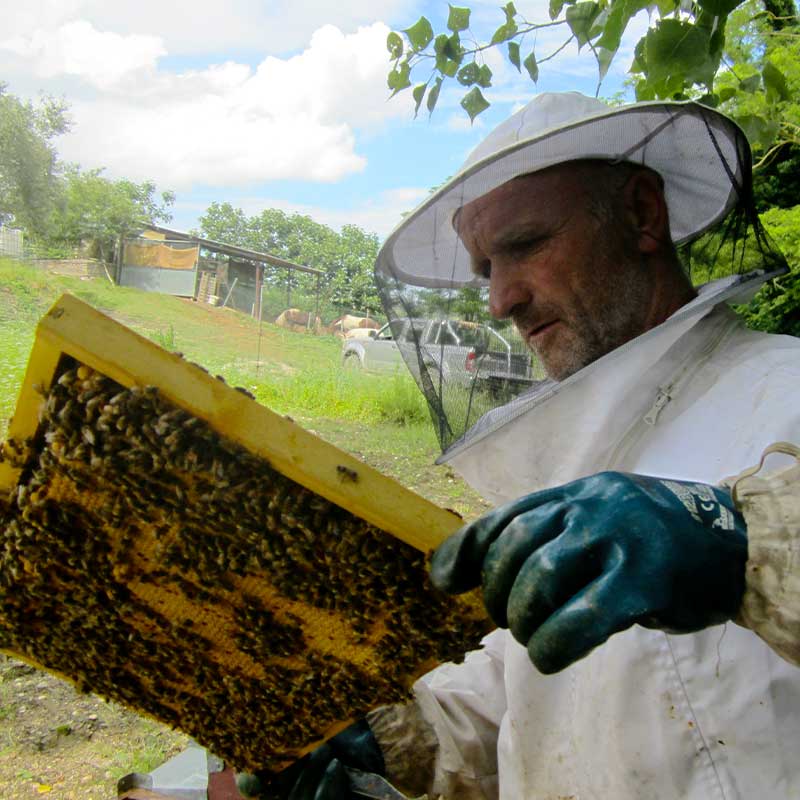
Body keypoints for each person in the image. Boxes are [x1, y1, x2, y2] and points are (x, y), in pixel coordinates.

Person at [242, 94, 800, 799]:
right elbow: (528, 680)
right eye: (484, 270)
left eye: (526, 244)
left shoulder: (784, 390)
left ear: (640, 214)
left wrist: (740, 542)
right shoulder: (581, 455)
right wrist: (399, 740)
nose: (500, 300)